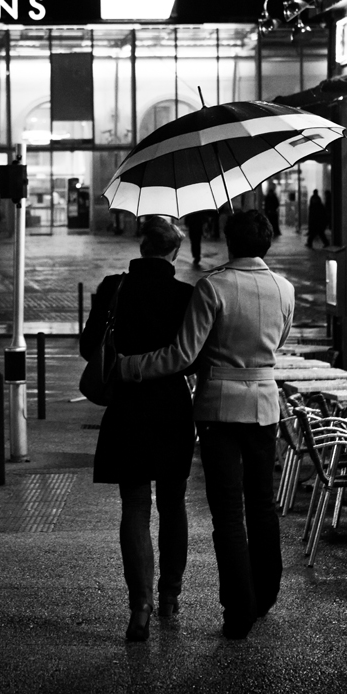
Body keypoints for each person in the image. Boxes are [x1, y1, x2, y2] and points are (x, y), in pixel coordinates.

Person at [117, 210, 294, 640]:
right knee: (262, 505)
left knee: (229, 513)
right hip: (265, 406)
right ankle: (265, 592)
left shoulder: (212, 287)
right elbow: (280, 342)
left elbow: (182, 354)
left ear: (228, 243)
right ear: (267, 244)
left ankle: (239, 610)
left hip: (218, 410)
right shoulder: (284, 288)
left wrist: (133, 367)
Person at [80, 217, 195, 642]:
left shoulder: (114, 288)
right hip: (170, 408)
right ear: (174, 253)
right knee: (173, 501)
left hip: (126, 406)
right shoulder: (186, 294)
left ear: (142, 247)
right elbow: (194, 357)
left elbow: (88, 346)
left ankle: (139, 609)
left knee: (134, 504)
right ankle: (170, 596)